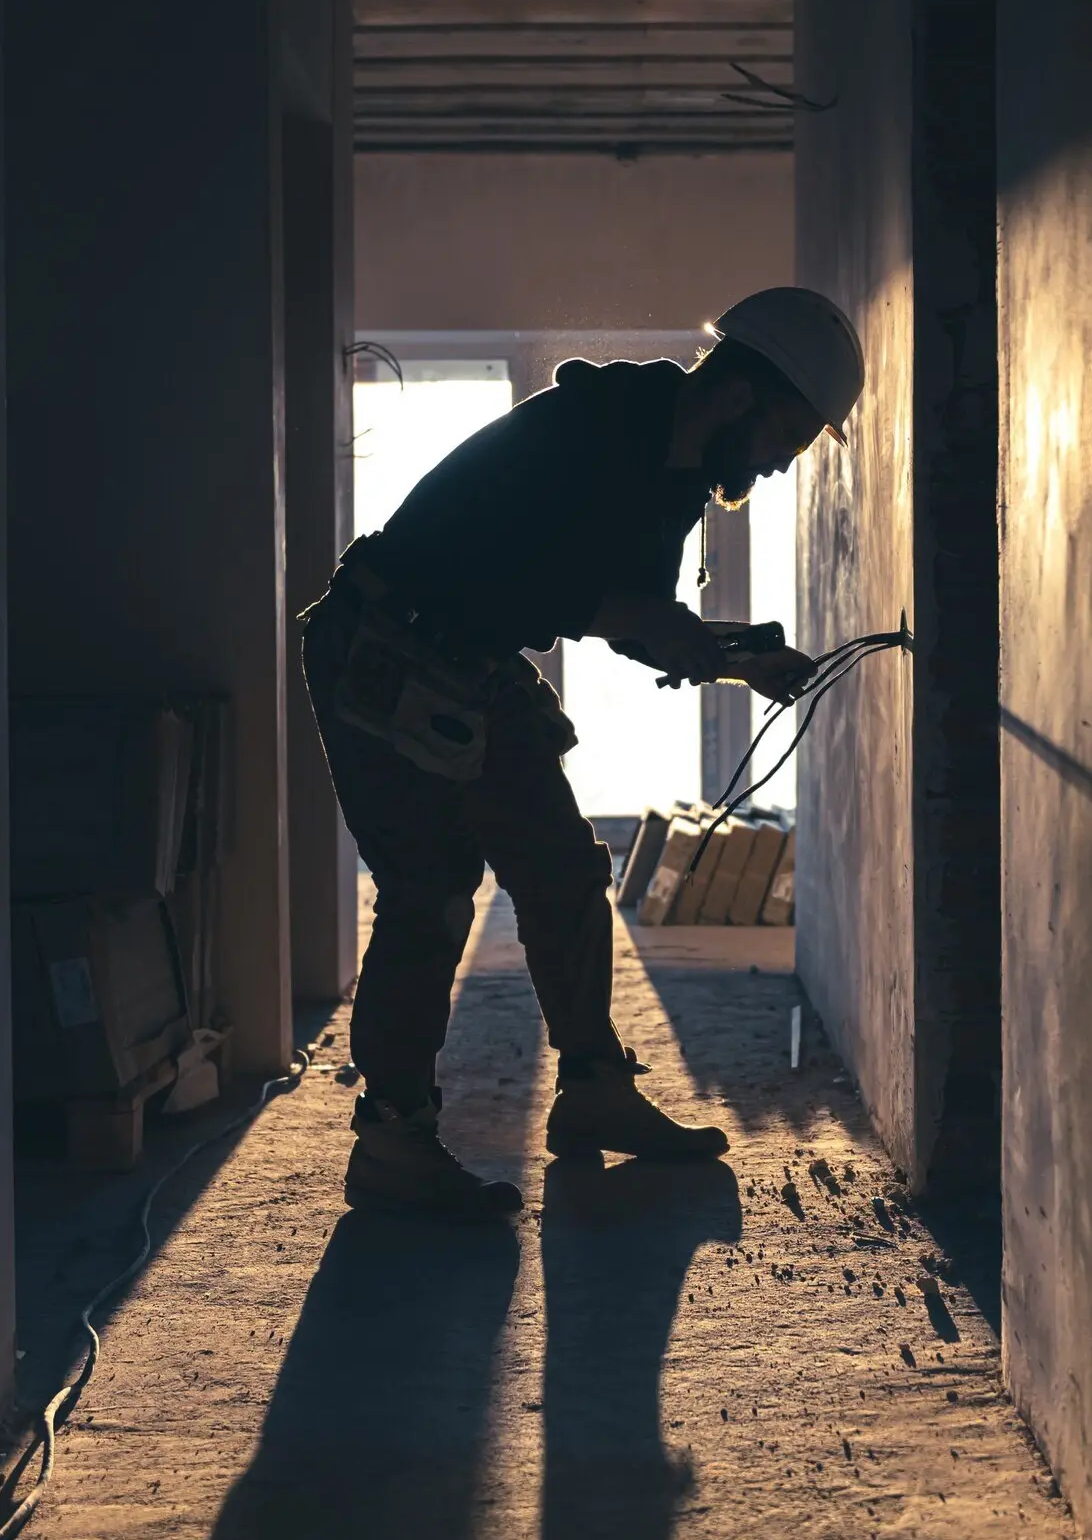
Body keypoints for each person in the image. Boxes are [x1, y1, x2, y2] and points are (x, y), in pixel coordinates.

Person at [303, 286, 865, 1214]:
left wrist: (734, 659)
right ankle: (393, 1141)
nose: (776, 465)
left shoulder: (678, 482)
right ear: (737, 398)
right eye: (786, 439)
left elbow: (628, 616)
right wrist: (658, 622)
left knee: (565, 869)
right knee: (431, 896)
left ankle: (595, 1092)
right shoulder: (589, 429)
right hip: (380, 648)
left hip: (469, 659)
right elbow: (515, 573)